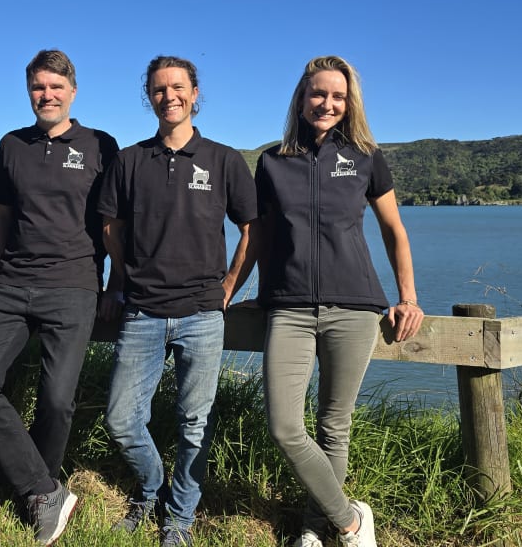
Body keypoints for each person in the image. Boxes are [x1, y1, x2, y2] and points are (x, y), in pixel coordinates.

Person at [255, 55, 425, 547]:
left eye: (337, 95)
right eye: (318, 93)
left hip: (354, 306)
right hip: (288, 308)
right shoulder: (271, 161)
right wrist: (253, 294)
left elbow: (394, 230)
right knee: (285, 425)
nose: (326, 103)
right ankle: (351, 521)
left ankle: (314, 526)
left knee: (334, 424)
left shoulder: (367, 156)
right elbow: (263, 237)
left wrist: (408, 297)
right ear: (301, 98)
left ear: (349, 102)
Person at [0, 49, 118, 546]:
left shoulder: (100, 145)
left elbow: (113, 222)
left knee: (57, 400)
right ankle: (45, 491)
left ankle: (37, 497)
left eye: (55, 86)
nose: (46, 95)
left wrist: (117, 283)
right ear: (30, 92)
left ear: (73, 90)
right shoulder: (11, 144)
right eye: (38, 88)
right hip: (12, 286)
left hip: (74, 286)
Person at [98, 55, 259, 547]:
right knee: (121, 418)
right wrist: (123, 277)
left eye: (177, 87)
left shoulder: (224, 159)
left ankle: (180, 519)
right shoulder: (128, 161)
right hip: (142, 311)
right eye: (159, 89)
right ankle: (151, 489)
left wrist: (230, 284)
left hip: (202, 315)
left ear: (195, 94)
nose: (169, 96)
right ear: (149, 96)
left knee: (195, 424)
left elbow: (252, 229)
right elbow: (110, 227)